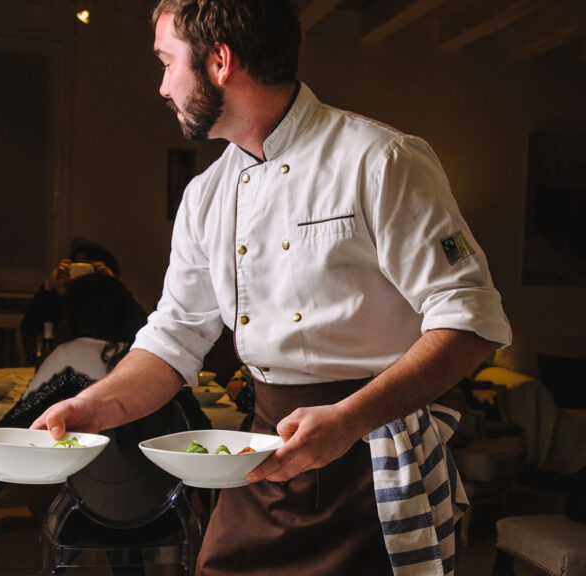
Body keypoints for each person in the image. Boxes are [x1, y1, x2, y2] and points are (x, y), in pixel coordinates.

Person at [32, 1, 512, 575]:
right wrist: (94, 405)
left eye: (167, 62)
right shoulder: (205, 194)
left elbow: (472, 321)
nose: (162, 86)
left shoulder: (382, 160)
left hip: (372, 461)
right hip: (261, 456)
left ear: (219, 61)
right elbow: (173, 339)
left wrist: (348, 420)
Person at [1, 273, 210, 576]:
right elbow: (201, 432)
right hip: (165, 514)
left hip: (81, 514)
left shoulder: (67, 357)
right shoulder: (157, 364)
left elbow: (15, 427)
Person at [20, 239, 121, 362]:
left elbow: (134, 330)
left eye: (88, 268)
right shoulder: (64, 304)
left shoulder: (113, 306)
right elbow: (30, 329)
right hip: (63, 364)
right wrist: (49, 286)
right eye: (77, 267)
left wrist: (113, 284)